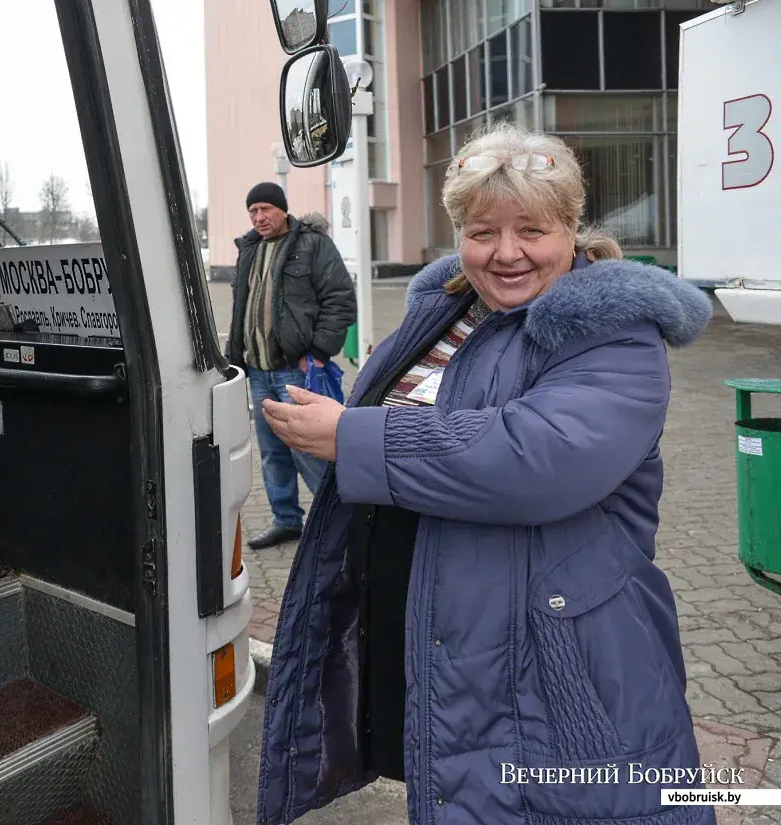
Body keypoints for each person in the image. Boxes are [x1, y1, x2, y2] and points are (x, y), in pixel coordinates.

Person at [254, 123, 716, 825]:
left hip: (563, 670)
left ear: (571, 229)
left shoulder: (615, 331)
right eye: (481, 231)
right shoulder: (444, 312)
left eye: (531, 229)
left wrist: (353, 437)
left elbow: (534, 456)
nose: (505, 254)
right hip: (457, 650)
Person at [225, 181, 355, 550]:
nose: (259, 217)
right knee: (272, 453)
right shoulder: (248, 250)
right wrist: (235, 360)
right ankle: (286, 521)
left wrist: (318, 351)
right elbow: (240, 311)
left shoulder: (312, 244)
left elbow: (340, 298)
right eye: (252, 211)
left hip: (296, 371)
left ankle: (338, 523)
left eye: (265, 208)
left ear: (283, 209)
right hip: (259, 372)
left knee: (310, 451)